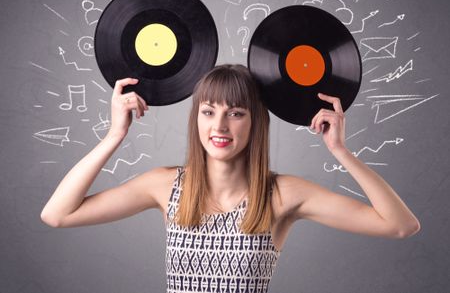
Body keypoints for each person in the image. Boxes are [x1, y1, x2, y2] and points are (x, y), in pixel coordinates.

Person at [41, 64, 420, 293]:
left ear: (256, 121)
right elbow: (57, 214)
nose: (219, 126)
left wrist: (341, 151)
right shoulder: (165, 185)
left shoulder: (282, 195)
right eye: (208, 112)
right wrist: (114, 136)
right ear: (197, 119)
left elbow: (401, 225)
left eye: (236, 113)